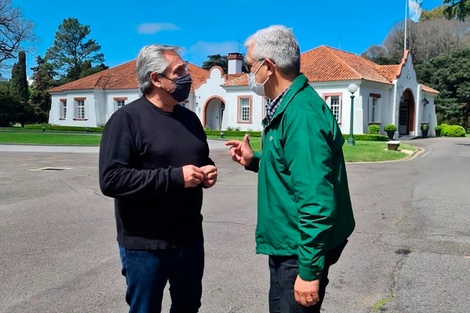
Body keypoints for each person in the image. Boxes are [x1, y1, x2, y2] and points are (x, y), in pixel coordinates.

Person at [225, 25, 355, 313]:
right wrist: (254, 160)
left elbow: (316, 202)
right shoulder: (284, 106)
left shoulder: (301, 115)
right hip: (288, 243)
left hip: (299, 250)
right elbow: (292, 168)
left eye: (249, 67)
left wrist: (309, 273)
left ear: (268, 67)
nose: (248, 75)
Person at [99, 44, 217, 313]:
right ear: (155, 79)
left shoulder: (189, 119)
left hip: (189, 239)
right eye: (180, 71)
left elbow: (199, 158)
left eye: (186, 68)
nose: (188, 76)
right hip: (145, 245)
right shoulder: (126, 120)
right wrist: (175, 178)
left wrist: (207, 171)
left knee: (188, 306)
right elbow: (111, 179)